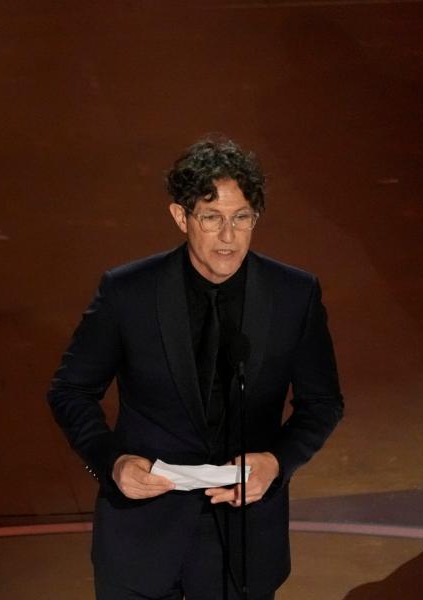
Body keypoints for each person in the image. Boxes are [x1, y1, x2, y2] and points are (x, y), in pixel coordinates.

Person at [48, 137, 343, 599]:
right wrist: (113, 463)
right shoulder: (128, 293)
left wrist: (277, 462)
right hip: (141, 536)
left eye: (241, 218)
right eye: (212, 218)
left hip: (243, 540)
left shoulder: (294, 295)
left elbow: (322, 402)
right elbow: (71, 390)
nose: (229, 237)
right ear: (181, 217)